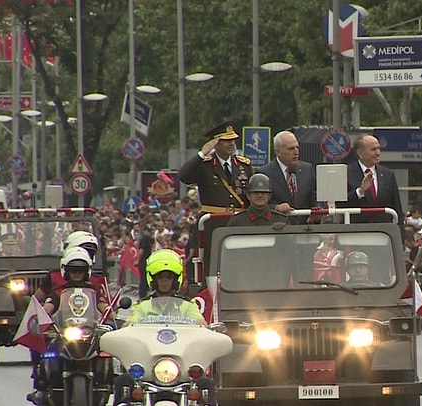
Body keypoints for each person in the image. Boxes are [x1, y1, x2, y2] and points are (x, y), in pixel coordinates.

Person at [114, 250, 211, 406]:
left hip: (181, 368)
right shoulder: (143, 306)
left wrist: (207, 330)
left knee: (206, 384)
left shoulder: (187, 305)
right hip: (148, 368)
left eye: (168, 277)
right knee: (123, 381)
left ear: (175, 280)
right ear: (153, 279)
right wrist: (123, 330)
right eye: (160, 277)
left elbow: (201, 324)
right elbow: (129, 325)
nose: (164, 281)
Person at [28, 247, 111, 404]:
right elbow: (49, 307)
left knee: (107, 352)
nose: (77, 274)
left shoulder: (95, 290)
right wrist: (40, 316)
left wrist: (115, 316)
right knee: (48, 350)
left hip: (89, 332)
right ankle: (42, 383)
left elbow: (104, 307)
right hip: (65, 333)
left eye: (80, 270)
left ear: (87, 271)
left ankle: (106, 381)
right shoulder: (59, 291)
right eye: (73, 270)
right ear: (66, 271)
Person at [178, 121, 253, 215]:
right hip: (214, 220)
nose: (231, 144)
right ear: (216, 144)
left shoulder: (243, 165)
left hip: (238, 220)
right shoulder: (205, 165)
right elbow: (184, 176)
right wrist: (202, 154)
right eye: (227, 141)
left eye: (233, 140)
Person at [341, 134, 403, 227]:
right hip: (357, 232)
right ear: (360, 153)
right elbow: (340, 204)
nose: (378, 153)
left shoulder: (388, 175)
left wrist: (400, 237)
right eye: (373, 149)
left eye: (378, 148)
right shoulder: (346, 173)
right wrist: (359, 192)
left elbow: (396, 207)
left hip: (383, 233)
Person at [256, 130, 317, 223]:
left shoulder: (307, 169)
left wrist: (317, 211)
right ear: (278, 152)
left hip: (305, 229)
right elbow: (257, 204)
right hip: (279, 228)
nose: (296, 152)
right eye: (291, 148)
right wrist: (276, 207)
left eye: (297, 147)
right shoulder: (264, 173)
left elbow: (314, 196)